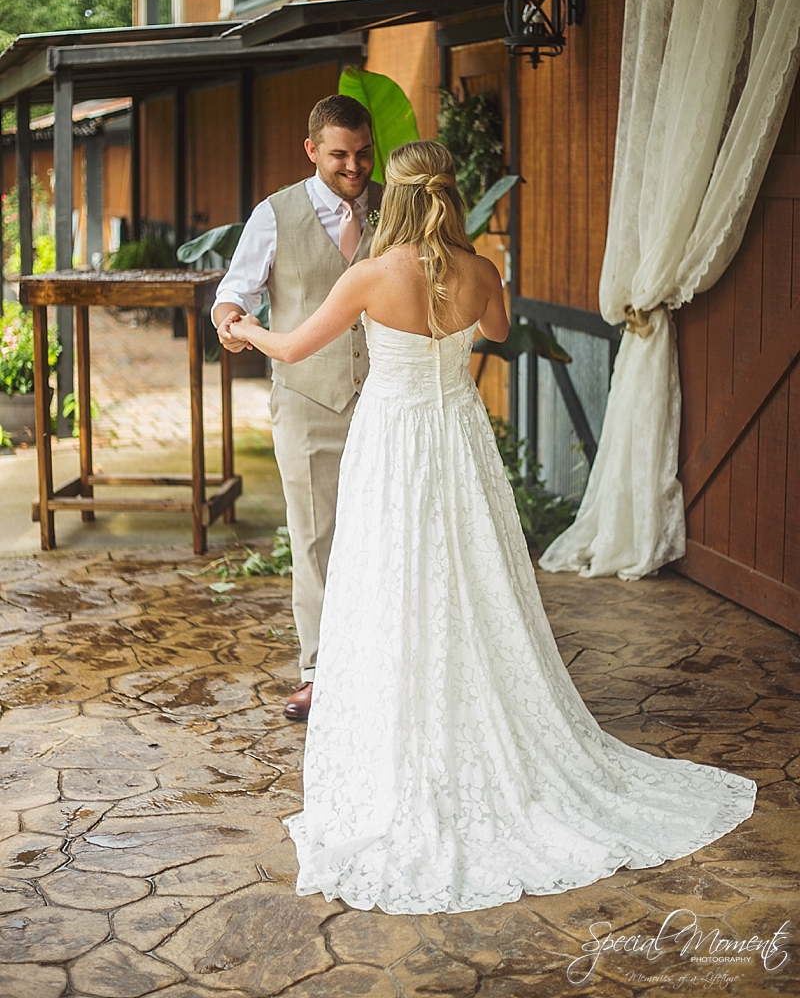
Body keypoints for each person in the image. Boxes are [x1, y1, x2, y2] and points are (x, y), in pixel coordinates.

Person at [228, 140, 756, 915]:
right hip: (459, 443)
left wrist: (244, 328)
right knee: (471, 578)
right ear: (451, 195)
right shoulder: (479, 273)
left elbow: (297, 346)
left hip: (395, 445)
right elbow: (502, 334)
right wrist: (470, 284)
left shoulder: (370, 276)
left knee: (394, 578)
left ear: (396, 199)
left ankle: (404, 731)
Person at [213, 95, 381, 721]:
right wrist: (230, 318)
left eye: (363, 153)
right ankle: (318, 670)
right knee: (315, 538)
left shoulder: (395, 207)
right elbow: (237, 290)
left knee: (391, 535)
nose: (355, 167)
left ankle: (384, 663)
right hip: (308, 400)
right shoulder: (275, 213)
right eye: (340, 155)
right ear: (312, 150)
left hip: (388, 402)